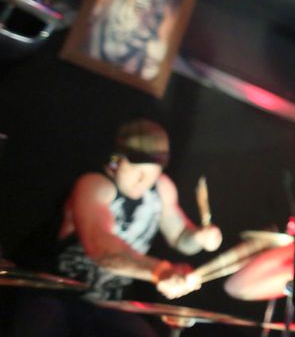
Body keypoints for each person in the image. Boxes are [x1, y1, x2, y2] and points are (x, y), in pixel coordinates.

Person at [10, 119, 223, 336]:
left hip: (109, 305)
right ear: (115, 161)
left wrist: (198, 237)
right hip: (57, 297)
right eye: (137, 171)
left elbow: (180, 237)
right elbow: (101, 248)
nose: (143, 181)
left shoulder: (162, 187)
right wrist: (159, 270)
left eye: (152, 173)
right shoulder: (94, 185)